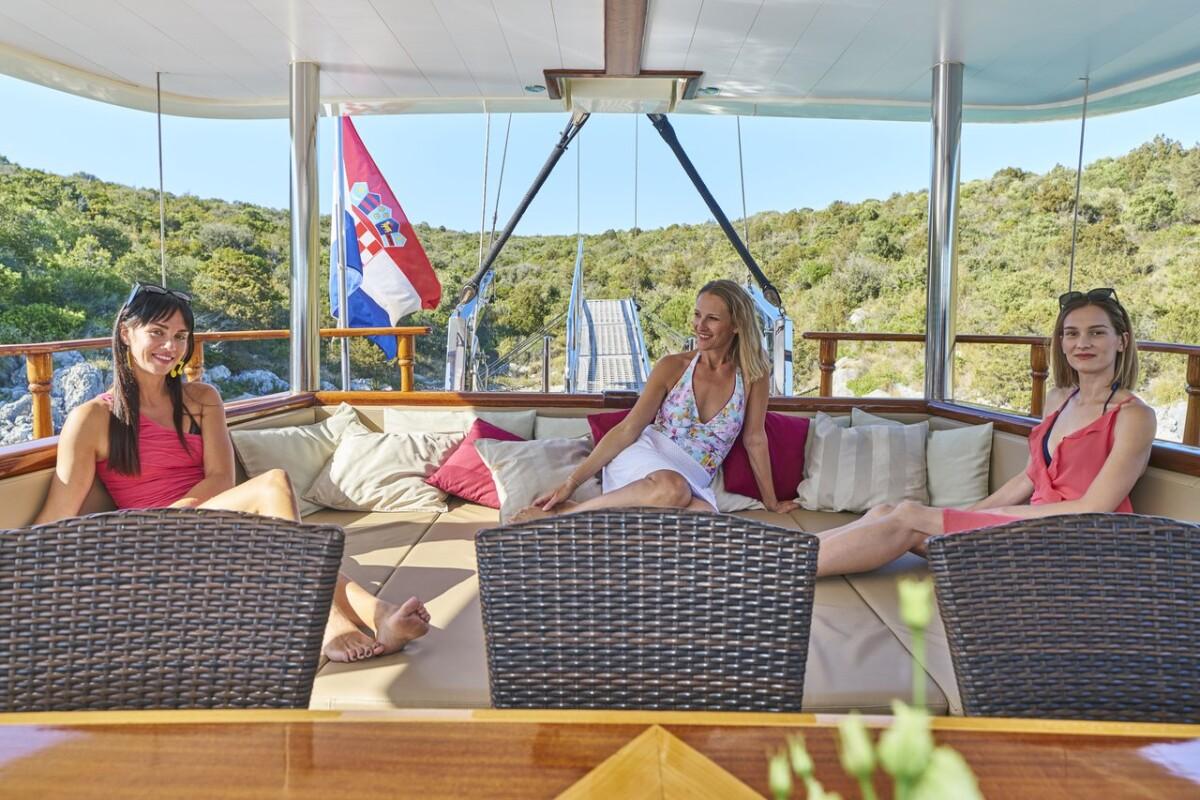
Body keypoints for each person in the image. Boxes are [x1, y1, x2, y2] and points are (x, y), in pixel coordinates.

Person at [35, 281, 431, 663]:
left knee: (294, 547)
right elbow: (58, 512)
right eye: (157, 332)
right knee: (273, 485)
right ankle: (326, 623)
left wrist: (184, 515)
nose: (171, 347)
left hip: (208, 524)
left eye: (181, 335)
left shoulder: (202, 398)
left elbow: (221, 479)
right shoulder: (93, 418)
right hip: (149, 541)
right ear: (126, 333)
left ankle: (380, 615)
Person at [815, 287, 1157, 577]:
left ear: (1122, 341)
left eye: (1097, 332)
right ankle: (790, 559)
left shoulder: (1133, 416)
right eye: (1072, 333)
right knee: (888, 511)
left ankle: (786, 572)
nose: (1083, 342)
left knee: (908, 516)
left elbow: (1094, 507)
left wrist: (989, 518)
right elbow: (1028, 479)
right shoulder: (1059, 400)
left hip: (1076, 545)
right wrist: (970, 514)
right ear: (1062, 342)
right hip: (1026, 529)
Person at [514, 279, 799, 521]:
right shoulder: (673, 367)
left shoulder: (753, 376)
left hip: (694, 477)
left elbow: (755, 439)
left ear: (736, 325)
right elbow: (628, 429)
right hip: (647, 457)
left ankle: (601, 524)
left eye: (712, 318)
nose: (700, 325)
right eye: (697, 315)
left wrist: (771, 502)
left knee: (706, 521)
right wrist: (571, 483)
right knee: (672, 489)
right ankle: (569, 515)